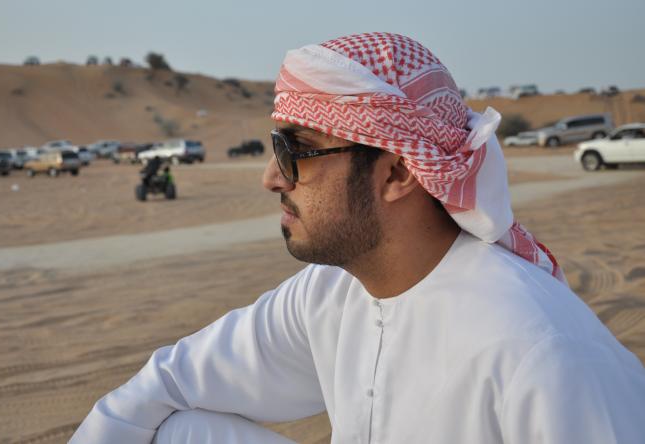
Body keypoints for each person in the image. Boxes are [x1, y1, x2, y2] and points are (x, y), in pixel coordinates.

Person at [71, 33, 645, 443]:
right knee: (176, 433)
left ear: (397, 172)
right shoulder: (328, 293)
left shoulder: (539, 352)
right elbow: (168, 382)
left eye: (298, 150)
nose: (271, 177)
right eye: (276, 148)